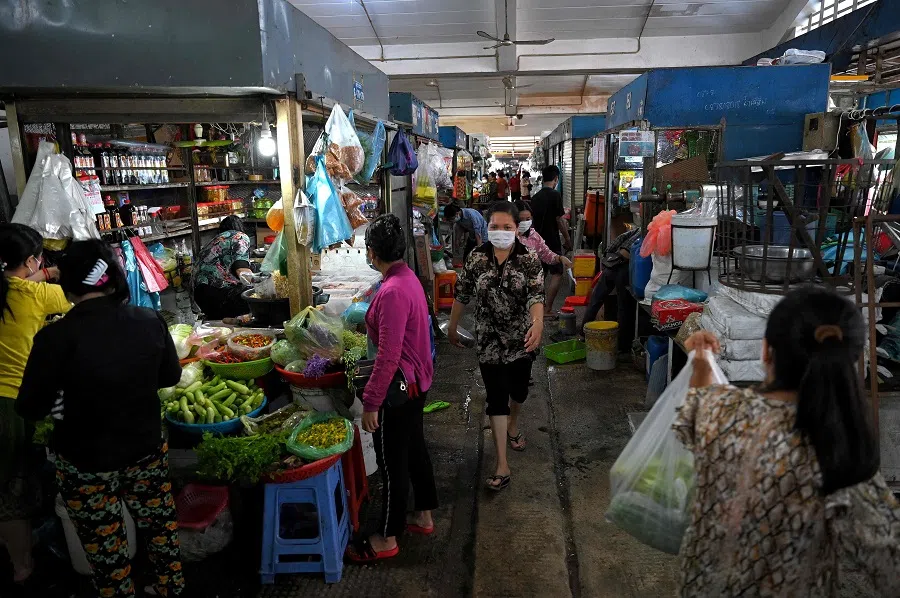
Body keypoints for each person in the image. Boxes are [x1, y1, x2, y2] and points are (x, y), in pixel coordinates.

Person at [675, 287, 900, 597]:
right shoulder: (842, 461)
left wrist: (702, 360)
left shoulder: (721, 413)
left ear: (766, 351)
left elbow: (697, 403)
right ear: (853, 361)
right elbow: (890, 564)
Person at [16, 240, 185, 598]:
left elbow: (30, 406)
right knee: (160, 529)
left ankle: (118, 591)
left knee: (105, 545)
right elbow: (170, 377)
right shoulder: (148, 320)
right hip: (145, 449)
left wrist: (63, 400)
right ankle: (171, 587)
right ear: (114, 278)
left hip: (84, 461)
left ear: (68, 284)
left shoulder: (53, 338)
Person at [349, 214, 438, 563]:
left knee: (391, 463)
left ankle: (388, 537)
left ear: (371, 253)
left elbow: (387, 356)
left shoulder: (392, 292)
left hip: (401, 389)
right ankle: (424, 514)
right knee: (415, 451)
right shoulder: (405, 277)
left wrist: (371, 402)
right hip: (417, 384)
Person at [449, 202, 544, 491]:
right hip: (488, 340)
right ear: (486, 227)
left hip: (521, 339)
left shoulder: (528, 258)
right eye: (494, 227)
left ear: (517, 229)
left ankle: (514, 424)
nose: (500, 232)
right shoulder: (476, 258)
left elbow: (535, 295)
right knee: (496, 396)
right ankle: (502, 463)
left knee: (519, 391)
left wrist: (538, 323)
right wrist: (452, 326)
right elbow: (462, 293)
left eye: (507, 227)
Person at [0, 223, 70, 585]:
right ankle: (23, 566)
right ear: (30, 260)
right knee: (13, 488)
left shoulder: (12, 288)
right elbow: (82, 299)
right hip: (14, 403)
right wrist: (57, 274)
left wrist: (43, 272)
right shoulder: (35, 296)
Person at [578, 225, 640, 350]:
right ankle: (622, 347)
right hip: (624, 269)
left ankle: (582, 334)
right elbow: (631, 254)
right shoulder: (646, 233)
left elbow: (617, 241)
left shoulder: (637, 229)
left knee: (596, 300)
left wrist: (610, 258)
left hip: (612, 264)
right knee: (623, 307)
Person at [530, 165, 571, 318]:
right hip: (552, 239)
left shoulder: (536, 196)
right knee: (558, 272)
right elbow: (559, 220)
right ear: (556, 179)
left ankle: (536, 308)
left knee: (540, 274)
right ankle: (547, 309)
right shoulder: (555, 195)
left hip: (537, 240)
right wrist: (567, 239)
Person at [192, 215, 252, 320]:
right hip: (217, 295)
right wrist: (260, 284)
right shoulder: (240, 237)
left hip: (201, 297)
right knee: (255, 297)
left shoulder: (216, 241)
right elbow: (241, 270)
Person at [516, 202, 572, 272]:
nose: (524, 222)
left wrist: (561, 258)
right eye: (520, 220)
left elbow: (545, 254)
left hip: (532, 279)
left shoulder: (534, 236)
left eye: (528, 219)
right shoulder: (507, 238)